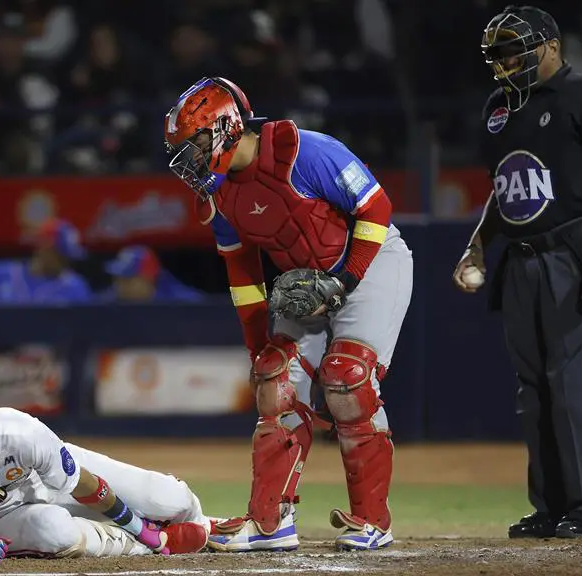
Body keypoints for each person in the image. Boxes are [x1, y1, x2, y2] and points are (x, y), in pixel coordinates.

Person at [164, 77, 413, 551]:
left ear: (225, 127)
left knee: (347, 378)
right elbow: (241, 272)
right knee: (274, 377)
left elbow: (377, 208)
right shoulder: (218, 195)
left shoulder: (304, 150)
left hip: (371, 263)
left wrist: (346, 282)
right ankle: (271, 521)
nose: (189, 159)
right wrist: (260, 346)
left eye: (194, 142)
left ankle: (372, 520)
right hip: (307, 281)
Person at [453, 5, 582, 539]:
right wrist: (477, 245)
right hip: (519, 258)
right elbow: (502, 190)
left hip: (573, 252)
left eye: (513, 49)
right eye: (497, 53)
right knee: (534, 390)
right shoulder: (497, 108)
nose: (504, 62)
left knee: (578, 385)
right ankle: (552, 506)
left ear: (550, 44)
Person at [0, 407, 209, 562]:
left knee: (171, 499)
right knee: (56, 532)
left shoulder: (21, 433)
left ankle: (205, 523)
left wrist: (138, 524)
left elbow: (83, 484)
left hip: (49, 477)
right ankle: (153, 542)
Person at [0, 219, 92, 306]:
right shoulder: (1, 273)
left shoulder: (76, 287)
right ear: (44, 247)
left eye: (68, 259)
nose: (65, 264)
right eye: (61, 256)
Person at [97, 245, 203, 303]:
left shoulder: (183, 304)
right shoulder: (111, 300)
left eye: (127, 280)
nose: (119, 286)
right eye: (116, 279)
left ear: (149, 279)